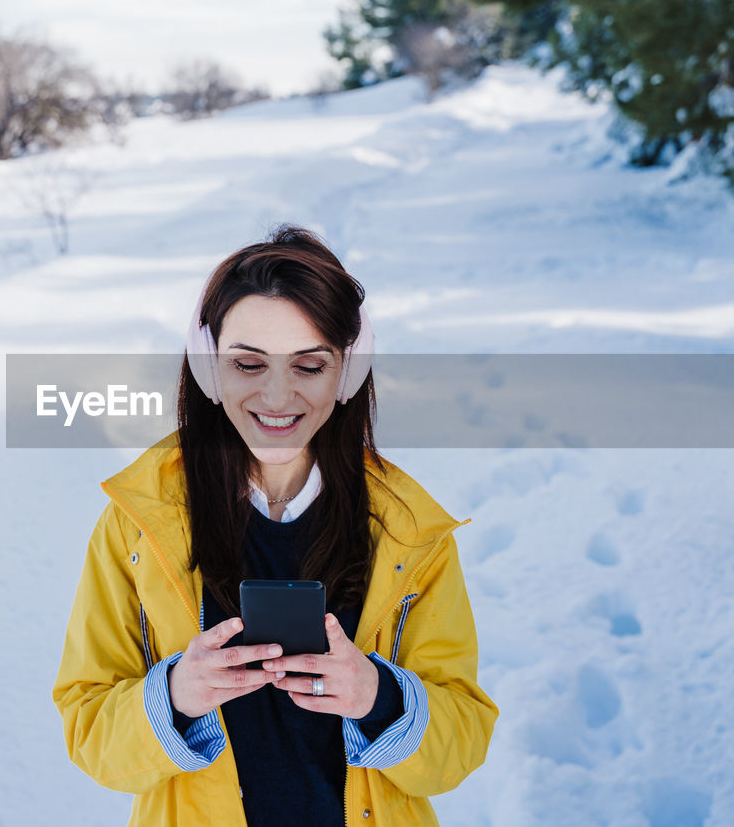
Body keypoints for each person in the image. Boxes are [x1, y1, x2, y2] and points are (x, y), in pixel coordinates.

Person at [52, 225, 498, 826]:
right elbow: (88, 729)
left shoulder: (409, 533)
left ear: (348, 372)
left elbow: (462, 742)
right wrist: (179, 694)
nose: (278, 396)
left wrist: (375, 695)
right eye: (248, 363)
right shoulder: (135, 525)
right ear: (210, 369)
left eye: (309, 366)